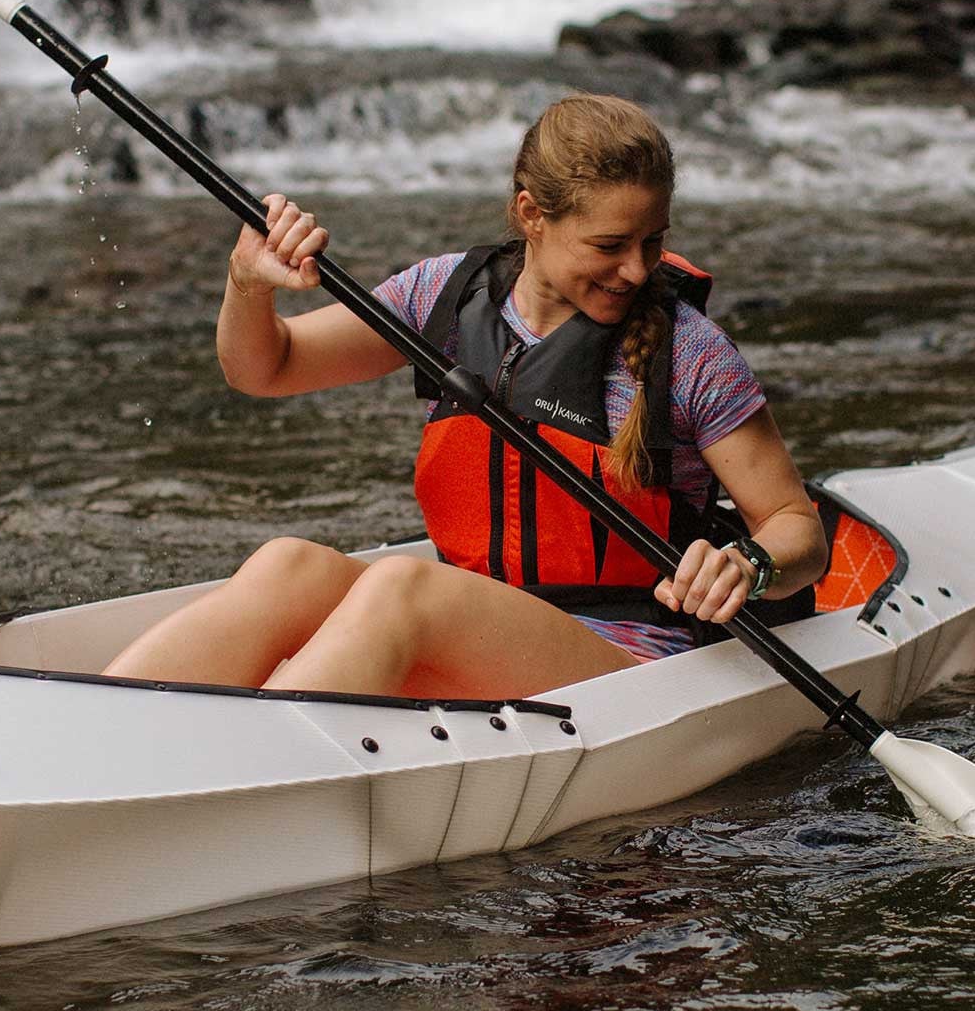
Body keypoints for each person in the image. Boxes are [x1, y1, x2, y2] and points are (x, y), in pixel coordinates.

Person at [104, 93, 826, 698]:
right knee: (288, 564)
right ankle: (99, 735)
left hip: (631, 663)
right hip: (481, 626)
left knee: (400, 589)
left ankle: (246, 768)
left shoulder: (691, 353)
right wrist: (248, 283)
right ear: (531, 215)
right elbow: (267, 367)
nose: (637, 270)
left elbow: (798, 529)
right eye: (609, 245)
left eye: (651, 240)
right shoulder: (445, 294)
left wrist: (749, 565)